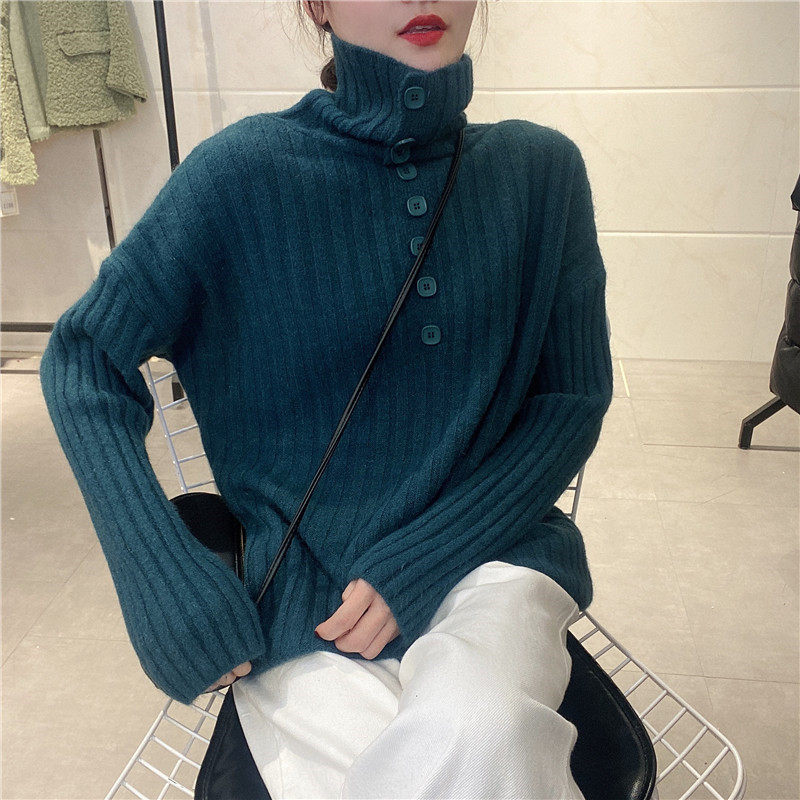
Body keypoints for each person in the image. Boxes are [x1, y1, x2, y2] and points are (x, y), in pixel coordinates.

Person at [39, 0, 613, 797]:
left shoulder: (540, 174)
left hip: (494, 558)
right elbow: (85, 358)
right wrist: (160, 576)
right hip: (307, 597)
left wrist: (424, 559)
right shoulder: (238, 177)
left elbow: (571, 397)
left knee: (481, 729)